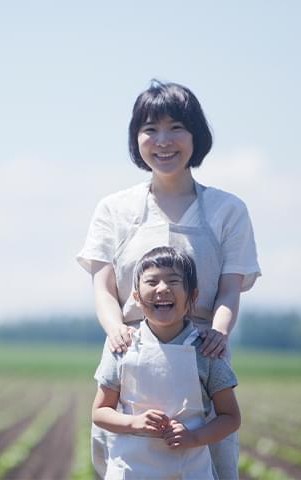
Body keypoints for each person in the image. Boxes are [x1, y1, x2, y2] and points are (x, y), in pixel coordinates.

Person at [77, 80, 261, 479]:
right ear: (136, 139)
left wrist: (218, 333)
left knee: (211, 466)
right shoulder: (114, 209)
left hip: (202, 353)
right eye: (150, 129)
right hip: (132, 354)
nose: (163, 141)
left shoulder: (227, 210)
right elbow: (103, 287)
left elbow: (230, 288)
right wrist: (116, 333)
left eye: (176, 127)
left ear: (197, 135)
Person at [92, 246, 241, 479]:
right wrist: (134, 423)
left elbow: (230, 417)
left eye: (173, 281)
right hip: (130, 470)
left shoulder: (206, 350)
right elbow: (100, 411)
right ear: (137, 298)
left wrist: (194, 437)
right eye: (152, 282)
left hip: (190, 470)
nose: (162, 289)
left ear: (192, 296)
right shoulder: (122, 347)